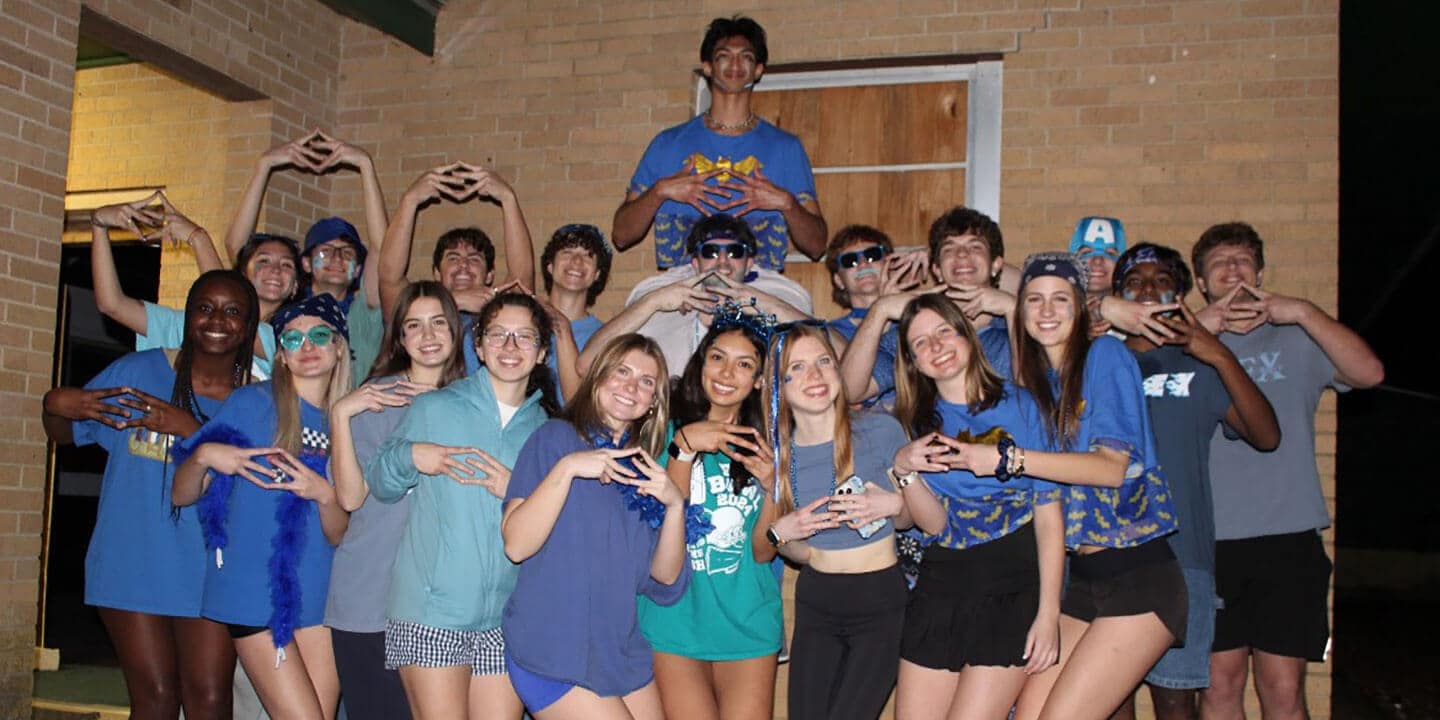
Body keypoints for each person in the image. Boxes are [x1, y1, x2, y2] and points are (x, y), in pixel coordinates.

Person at [42, 269, 259, 719]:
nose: (217, 319)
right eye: (204, 308)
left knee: (211, 699)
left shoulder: (256, 400)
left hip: (209, 570)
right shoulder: (139, 372)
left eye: (232, 311)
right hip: (131, 563)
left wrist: (189, 430)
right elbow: (66, 434)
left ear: (249, 325)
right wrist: (57, 407)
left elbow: (257, 483)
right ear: (187, 317)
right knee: (156, 698)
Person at [1188, 223, 1383, 720]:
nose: (1233, 270)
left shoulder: (1298, 338)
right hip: (1212, 541)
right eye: (1220, 263)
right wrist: (1196, 327)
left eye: (1243, 260)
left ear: (1260, 272)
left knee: (1283, 687)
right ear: (1202, 282)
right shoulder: (1187, 344)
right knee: (1217, 686)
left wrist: (1301, 311)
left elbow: (1370, 374)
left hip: (1288, 539)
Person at [978, 252, 1182, 720]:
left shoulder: (1105, 355)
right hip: (1084, 582)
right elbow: (1048, 508)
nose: (1046, 311)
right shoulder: (1036, 387)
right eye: (1034, 300)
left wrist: (1011, 459)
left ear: (1081, 308)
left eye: (1060, 300)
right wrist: (1047, 612)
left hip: (1140, 575)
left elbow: (1112, 468)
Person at [1103, 243, 1280, 720]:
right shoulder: (1098, 361)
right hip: (1107, 557)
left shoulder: (1198, 366)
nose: (1147, 288)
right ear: (1119, 294)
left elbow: (1266, 435)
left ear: (1179, 294)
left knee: (1176, 701)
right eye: (1134, 280)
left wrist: (1217, 352)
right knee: (1110, 702)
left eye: (1161, 279)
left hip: (1183, 559)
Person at [368, 292, 559, 720]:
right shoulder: (435, 407)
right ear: (478, 345)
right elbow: (380, 484)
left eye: (524, 337)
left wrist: (519, 490)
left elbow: (553, 528)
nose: (510, 347)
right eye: (498, 335)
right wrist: (412, 454)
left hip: (506, 620)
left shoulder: (547, 431)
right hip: (431, 612)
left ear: (542, 352)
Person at [172, 294, 354, 720]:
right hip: (252, 591)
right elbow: (181, 495)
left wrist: (322, 492)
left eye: (320, 335)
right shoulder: (251, 405)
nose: (307, 346)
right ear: (282, 356)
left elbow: (339, 532)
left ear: (339, 346)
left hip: (322, 592)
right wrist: (203, 455)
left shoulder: (349, 420)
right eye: (293, 339)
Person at [888, 294, 1064, 720]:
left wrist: (1048, 613)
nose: (936, 347)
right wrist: (903, 469)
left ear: (967, 334)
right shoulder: (912, 421)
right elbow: (932, 525)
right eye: (921, 343)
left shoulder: (1025, 405)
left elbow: (1048, 516)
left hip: (1012, 579)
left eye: (944, 332)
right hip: (940, 581)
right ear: (913, 361)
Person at [501, 334, 691, 719]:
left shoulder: (643, 471)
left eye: (646, 381)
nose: (631, 386)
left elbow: (664, 579)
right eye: (621, 371)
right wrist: (569, 468)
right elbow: (516, 545)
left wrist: (674, 506)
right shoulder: (553, 438)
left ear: (654, 401)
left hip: (617, 653)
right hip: (551, 650)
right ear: (599, 378)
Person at [324, 281, 470, 720]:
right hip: (370, 598)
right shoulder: (377, 399)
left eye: (438, 323)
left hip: (441, 608)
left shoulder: (474, 401)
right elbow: (349, 498)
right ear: (400, 338)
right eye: (414, 325)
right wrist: (341, 412)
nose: (427, 336)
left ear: (456, 332)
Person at [762, 325, 913, 720]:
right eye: (797, 367)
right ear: (778, 385)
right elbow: (802, 553)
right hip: (819, 599)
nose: (815, 375)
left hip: (880, 597)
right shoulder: (780, 460)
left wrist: (894, 504)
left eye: (823, 361)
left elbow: (910, 520)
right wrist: (783, 535)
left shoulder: (881, 430)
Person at [638, 318, 782, 719]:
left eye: (744, 364)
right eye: (717, 357)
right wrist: (683, 447)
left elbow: (762, 552)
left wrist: (773, 488)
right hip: (674, 621)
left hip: (748, 621)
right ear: (700, 362)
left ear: (758, 380)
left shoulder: (769, 443)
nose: (726, 373)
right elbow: (663, 523)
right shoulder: (658, 429)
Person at [613, 15, 826, 271]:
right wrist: (659, 192)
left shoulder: (786, 148)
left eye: (745, 56)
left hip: (758, 292)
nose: (735, 63)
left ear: (758, 69)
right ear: (708, 66)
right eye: (724, 55)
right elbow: (621, 236)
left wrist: (787, 204)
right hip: (683, 295)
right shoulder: (667, 143)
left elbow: (817, 246)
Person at [223, 129, 390, 383]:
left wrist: (365, 165)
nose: (336, 258)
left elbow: (384, 249)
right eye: (325, 251)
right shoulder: (288, 312)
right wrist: (263, 166)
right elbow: (237, 248)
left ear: (358, 269)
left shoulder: (363, 314)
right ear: (306, 263)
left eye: (346, 253)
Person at [87, 193, 297, 380]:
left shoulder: (288, 336)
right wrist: (99, 225)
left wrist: (198, 238)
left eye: (286, 264)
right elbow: (111, 304)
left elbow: (241, 322)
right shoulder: (194, 325)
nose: (276, 270)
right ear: (242, 275)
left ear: (295, 286)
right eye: (264, 261)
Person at [580, 213, 812, 379]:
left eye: (734, 252)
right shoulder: (663, 313)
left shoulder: (771, 310)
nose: (722, 261)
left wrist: (764, 302)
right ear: (695, 263)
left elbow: (830, 357)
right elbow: (587, 363)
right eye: (711, 252)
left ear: (749, 264)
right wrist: (653, 302)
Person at [843, 207, 1014, 412]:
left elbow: (1036, 391)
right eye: (949, 249)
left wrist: (1012, 310)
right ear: (937, 270)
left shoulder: (1015, 326)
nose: (961, 254)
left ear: (996, 265)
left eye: (975, 247)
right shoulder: (915, 332)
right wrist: (880, 309)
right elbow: (849, 390)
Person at [379, 162, 538, 375]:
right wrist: (410, 200)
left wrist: (507, 199)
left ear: (490, 274)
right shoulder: (412, 311)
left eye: (474, 259)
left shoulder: (498, 312)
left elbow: (521, 278)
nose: (463, 265)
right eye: (453, 258)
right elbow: (389, 276)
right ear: (436, 273)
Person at [822, 225, 927, 411]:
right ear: (839, 280)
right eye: (849, 261)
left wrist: (932, 253)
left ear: (890, 264)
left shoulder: (921, 319)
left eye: (872, 255)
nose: (863, 264)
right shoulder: (829, 333)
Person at [538, 223, 613, 399]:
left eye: (588, 255)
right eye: (567, 252)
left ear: (596, 274)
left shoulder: (604, 337)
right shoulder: (524, 319)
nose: (577, 261)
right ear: (550, 266)